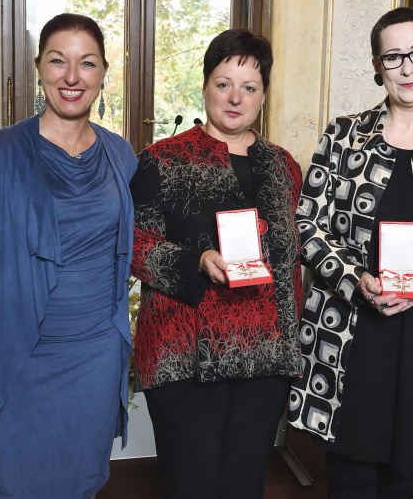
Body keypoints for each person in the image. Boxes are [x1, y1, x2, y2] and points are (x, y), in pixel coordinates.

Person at [288, 7, 413, 498]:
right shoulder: (342, 137)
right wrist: (354, 278)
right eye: (393, 57)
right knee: (350, 473)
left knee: (412, 478)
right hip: (351, 331)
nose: (407, 67)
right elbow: (306, 225)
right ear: (378, 66)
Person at [0, 13, 137, 498]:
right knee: (19, 482)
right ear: (39, 67)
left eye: (87, 64)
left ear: (102, 73)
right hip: (21, 356)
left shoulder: (122, 156)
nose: (72, 77)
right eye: (58, 61)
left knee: (82, 481)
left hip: (96, 353)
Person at [130, 29, 302, 499]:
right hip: (186, 354)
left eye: (249, 87)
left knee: (244, 485)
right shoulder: (162, 160)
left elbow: (290, 260)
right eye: (224, 82)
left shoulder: (282, 165)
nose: (235, 97)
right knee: (192, 485)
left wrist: (291, 347)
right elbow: (134, 245)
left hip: (264, 354)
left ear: (264, 94)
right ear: (205, 85)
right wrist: (196, 259)